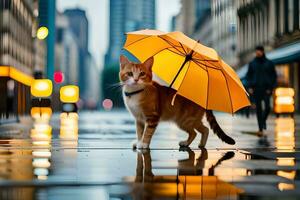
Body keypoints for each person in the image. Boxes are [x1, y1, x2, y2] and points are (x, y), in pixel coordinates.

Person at [245, 46, 277, 136]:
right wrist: (250, 87)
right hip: (256, 89)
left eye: (259, 51)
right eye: (256, 51)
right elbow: (248, 76)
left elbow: (274, 76)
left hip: (266, 89)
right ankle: (260, 128)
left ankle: (263, 121)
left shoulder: (269, 63)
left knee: (267, 107)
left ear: (263, 52)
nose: (258, 53)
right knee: (258, 109)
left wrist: (271, 88)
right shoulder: (252, 63)